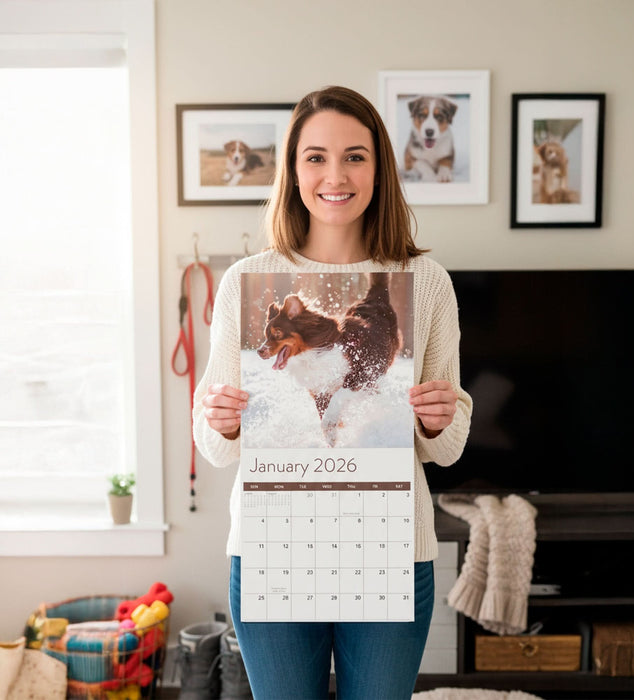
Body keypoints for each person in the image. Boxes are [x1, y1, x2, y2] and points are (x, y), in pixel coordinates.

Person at [193, 85, 473, 700]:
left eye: (355, 156)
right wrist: (222, 419)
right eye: (316, 157)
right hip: (276, 546)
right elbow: (214, 447)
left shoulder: (424, 283)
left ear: (379, 168)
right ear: (294, 172)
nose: (335, 175)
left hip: (390, 545)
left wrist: (436, 418)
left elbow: (448, 446)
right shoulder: (245, 280)